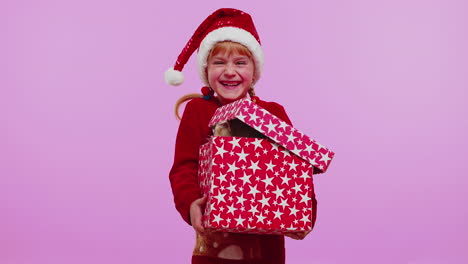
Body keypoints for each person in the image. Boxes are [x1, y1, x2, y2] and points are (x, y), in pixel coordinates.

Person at [166, 8, 316, 264]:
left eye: (240, 62)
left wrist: (304, 212)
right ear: (206, 69)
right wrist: (191, 203)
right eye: (219, 62)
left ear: (254, 70)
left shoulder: (272, 113)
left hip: (266, 248)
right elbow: (184, 168)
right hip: (214, 245)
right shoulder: (199, 111)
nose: (229, 71)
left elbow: (296, 167)